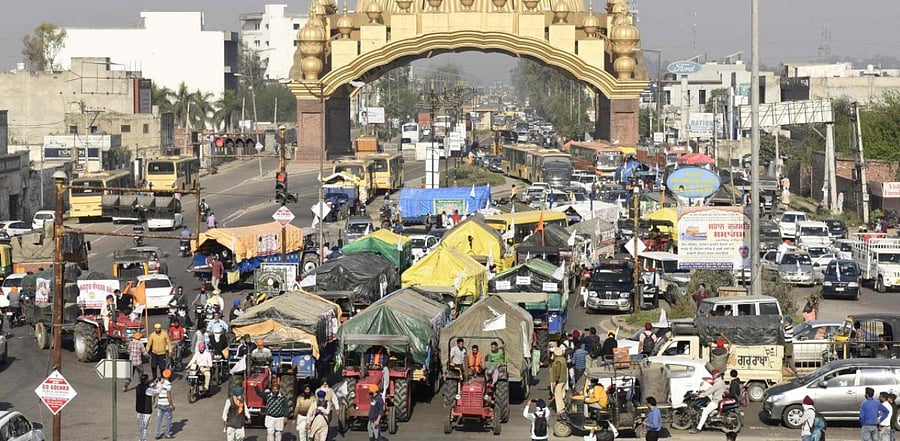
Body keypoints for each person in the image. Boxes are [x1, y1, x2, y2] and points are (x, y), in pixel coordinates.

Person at [690, 369, 726, 434]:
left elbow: (710, 391)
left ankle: (698, 428)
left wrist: (700, 395)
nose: (712, 377)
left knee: (705, 412)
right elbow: (711, 389)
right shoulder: (721, 382)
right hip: (719, 400)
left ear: (715, 376)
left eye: (713, 375)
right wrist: (703, 391)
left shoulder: (718, 383)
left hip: (716, 401)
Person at [146, 369, 174, 439]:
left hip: (160, 404)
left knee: (158, 419)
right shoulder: (169, 384)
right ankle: (167, 433)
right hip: (166, 404)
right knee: (168, 419)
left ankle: (157, 434)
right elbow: (169, 396)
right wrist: (172, 405)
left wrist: (154, 400)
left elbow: (155, 393)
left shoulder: (159, 383)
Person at [135, 374, 154, 441]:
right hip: (146, 410)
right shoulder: (148, 388)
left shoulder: (138, 387)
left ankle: (141, 439)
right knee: (145, 427)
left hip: (139, 410)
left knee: (141, 427)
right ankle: (143, 439)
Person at [549, 346, 568, 414]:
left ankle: (559, 410)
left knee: (557, 396)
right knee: (562, 395)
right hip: (564, 379)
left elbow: (557, 372)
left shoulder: (558, 361)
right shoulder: (563, 359)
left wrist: (555, 381)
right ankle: (563, 407)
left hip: (559, 380)